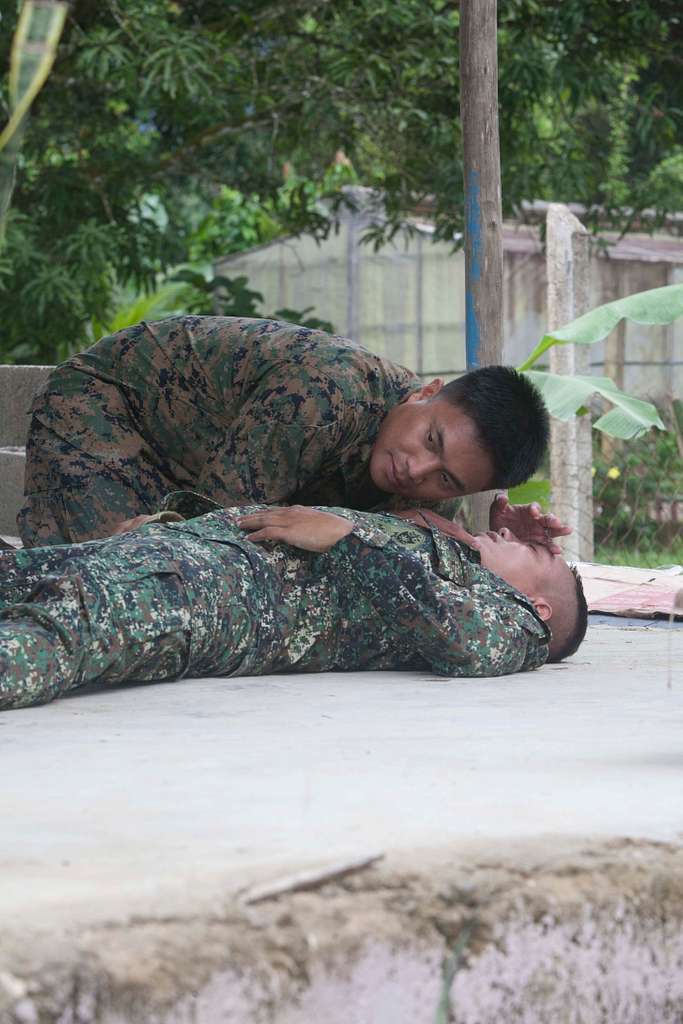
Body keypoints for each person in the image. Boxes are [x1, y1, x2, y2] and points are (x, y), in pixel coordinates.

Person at [18, 315, 566, 549]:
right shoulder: (325, 395)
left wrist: (477, 547)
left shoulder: (425, 486)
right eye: (430, 441)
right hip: (111, 403)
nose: (415, 471)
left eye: (445, 481)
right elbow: (216, 530)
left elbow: (395, 561)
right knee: (94, 572)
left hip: (192, 461)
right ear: (425, 392)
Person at [0, 495, 587, 711]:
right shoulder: (445, 561)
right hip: (170, 555)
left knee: (59, 632)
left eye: (540, 555)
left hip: (204, 599)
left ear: (537, 608)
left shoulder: (512, 626)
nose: (521, 538)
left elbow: (467, 642)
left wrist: (346, 539)